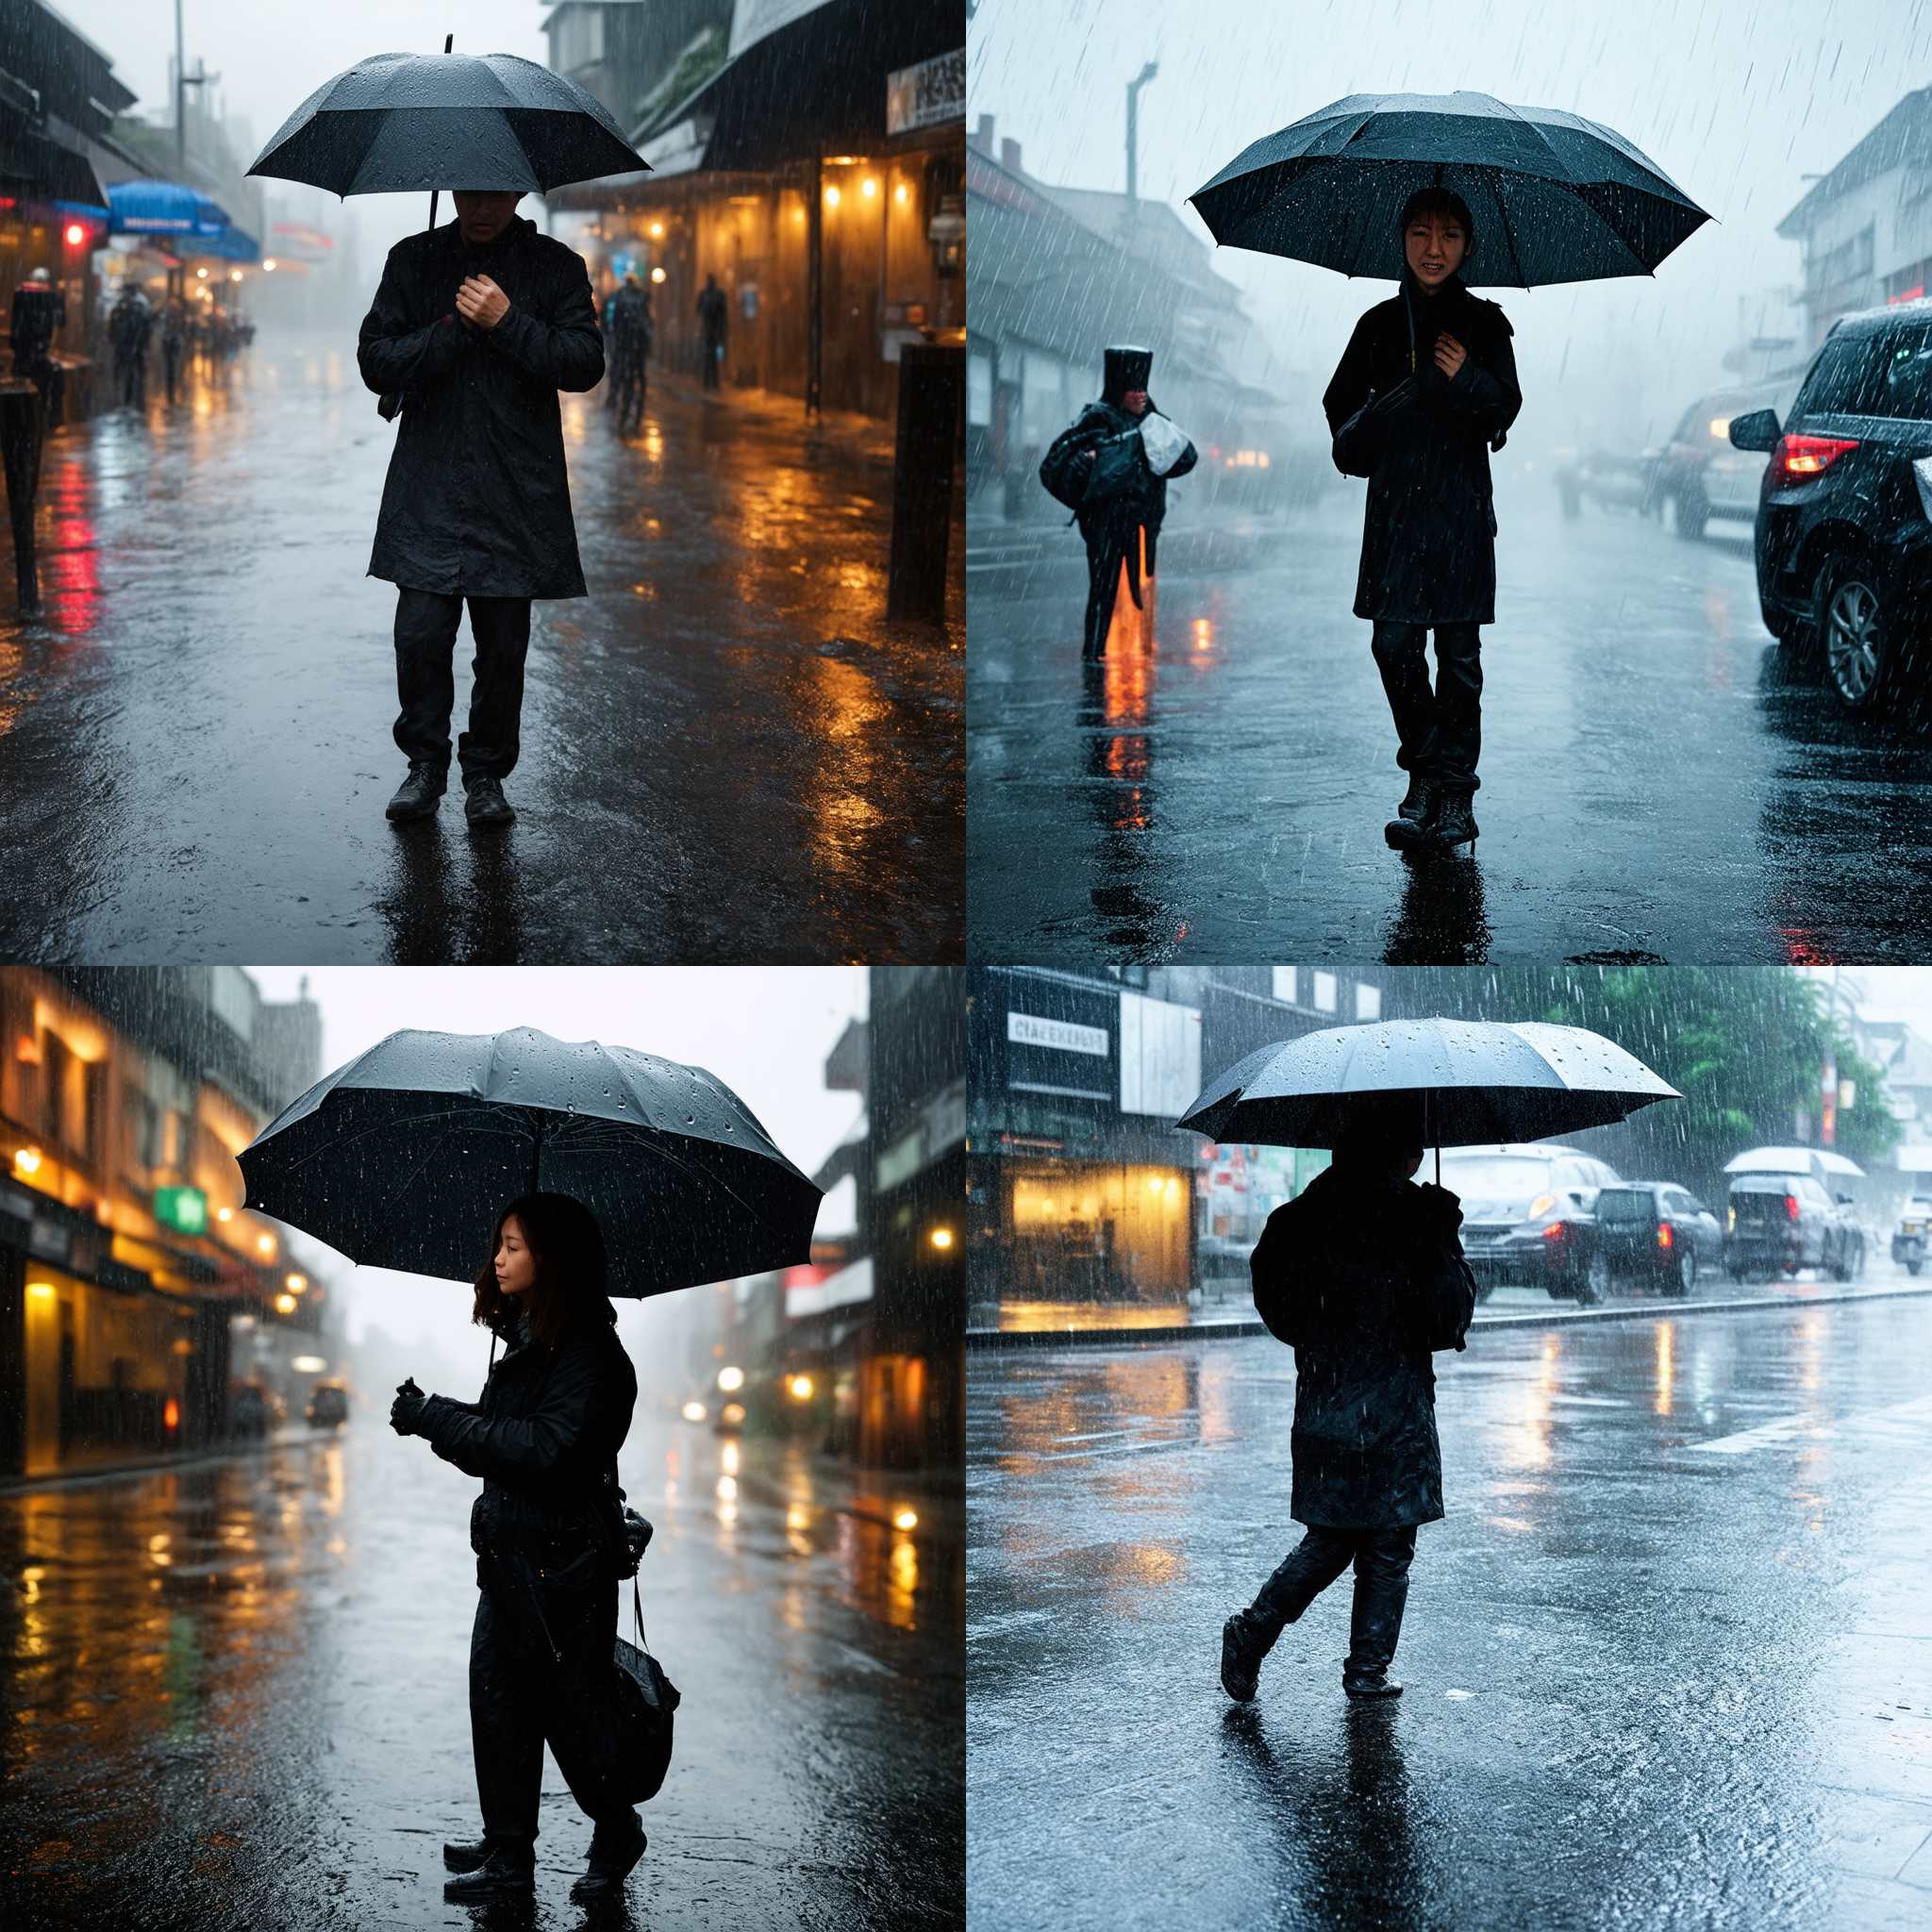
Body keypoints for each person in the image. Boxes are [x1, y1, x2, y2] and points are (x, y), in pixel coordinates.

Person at [388, 1192, 650, 1907]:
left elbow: (543, 1451)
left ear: (551, 1258)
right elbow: (497, 1450)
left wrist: (438, 1418)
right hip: (509, 1562)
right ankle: (509, 1856)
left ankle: (615, 1826)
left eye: (513, 1245)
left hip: (564, 1571)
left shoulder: (591, 1355)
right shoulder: (531, 1343)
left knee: (570, 1719)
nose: (497, 1258)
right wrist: (431, 1414)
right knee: (500, 1707)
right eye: (497, 1243)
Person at [358, 189, 604, 829]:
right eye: (470, 192)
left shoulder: (556, 267)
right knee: (419, 637)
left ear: (519, 192)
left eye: (496, 193)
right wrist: (449, 328)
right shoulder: (412, 261)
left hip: (514, 484)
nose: (482, 205)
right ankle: (424, 767)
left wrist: (506, 321)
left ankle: (487, 773)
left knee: (502, 649)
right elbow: (376, 361)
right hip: (430, 481)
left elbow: (583, 363)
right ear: (452, 187)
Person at [1219, 1094, 1476, 1706]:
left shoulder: (1300, 1218)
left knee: (1336, 1537)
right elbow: (1449, 1323)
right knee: (1383, 1539)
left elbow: (1280, 1311)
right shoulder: (1417, 1219)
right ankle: (1353, 1668)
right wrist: (1440, 1241)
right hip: (1392, 1403)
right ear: (1401, 1150)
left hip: (1330, 1401)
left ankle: (1270, 1640)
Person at [1323, 187, 1522, 855]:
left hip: (1462, 515)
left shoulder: (1486, 325)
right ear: (1402, 239)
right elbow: (1342, 433)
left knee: (1459, 659)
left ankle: (1451, 798)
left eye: (1449, 235)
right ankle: (1428, 777)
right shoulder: (1377, 327)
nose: (1433, 249)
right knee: (1394, 647)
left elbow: (1505, 411)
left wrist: (1466, 377)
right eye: (1420, 233)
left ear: (1468, 246)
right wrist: (1382, 411)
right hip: (1397, 521)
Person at [1039, 345, 1197, 661]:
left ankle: (1131, 648)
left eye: (1143, 389)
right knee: (1103, 587)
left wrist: (1155, 438)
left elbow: (1185, 456)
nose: (1140, 395)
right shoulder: (1098, 419)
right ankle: (1094, 651)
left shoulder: (1152, 421)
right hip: (1104, 520)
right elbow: (1060, 465)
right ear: (1118, 390)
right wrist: (1092, 460)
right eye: (1133, 389)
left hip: (1138, 520)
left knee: (1139, 587)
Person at [608, 272, 651, 431]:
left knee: (624, 378)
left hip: (626, 345)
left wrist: (616, 341)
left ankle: (624, 413)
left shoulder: (620, 296)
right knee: (638, 378)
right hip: (636, 346)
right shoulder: (641, 296)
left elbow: (615, 321)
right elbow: (647, 322)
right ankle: (634, 415)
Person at [108, 287, 151, 408]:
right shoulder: (129, 308)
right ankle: (125, 395)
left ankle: (128, 396)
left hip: (130, 345)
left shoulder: (137, 307)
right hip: (125, 345)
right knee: (125, 368)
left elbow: (143, 327)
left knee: (130, 369)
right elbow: (113, 328)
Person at [695, 274, 727, 390]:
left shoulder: (708, 295)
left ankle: (711, 381)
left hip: (713, 332)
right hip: (714, 332)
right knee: (713, 357)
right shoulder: (715, 295)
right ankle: (711, 381)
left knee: (713, 357)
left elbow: (699, 310)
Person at [159, 297, 188, 404]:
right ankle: (171, 392)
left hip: (172, 345)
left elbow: (182, 330)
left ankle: (171, 392)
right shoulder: (172, 317)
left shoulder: (174, 317)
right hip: (171, 345)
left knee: (171, 370)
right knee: (171, 370)